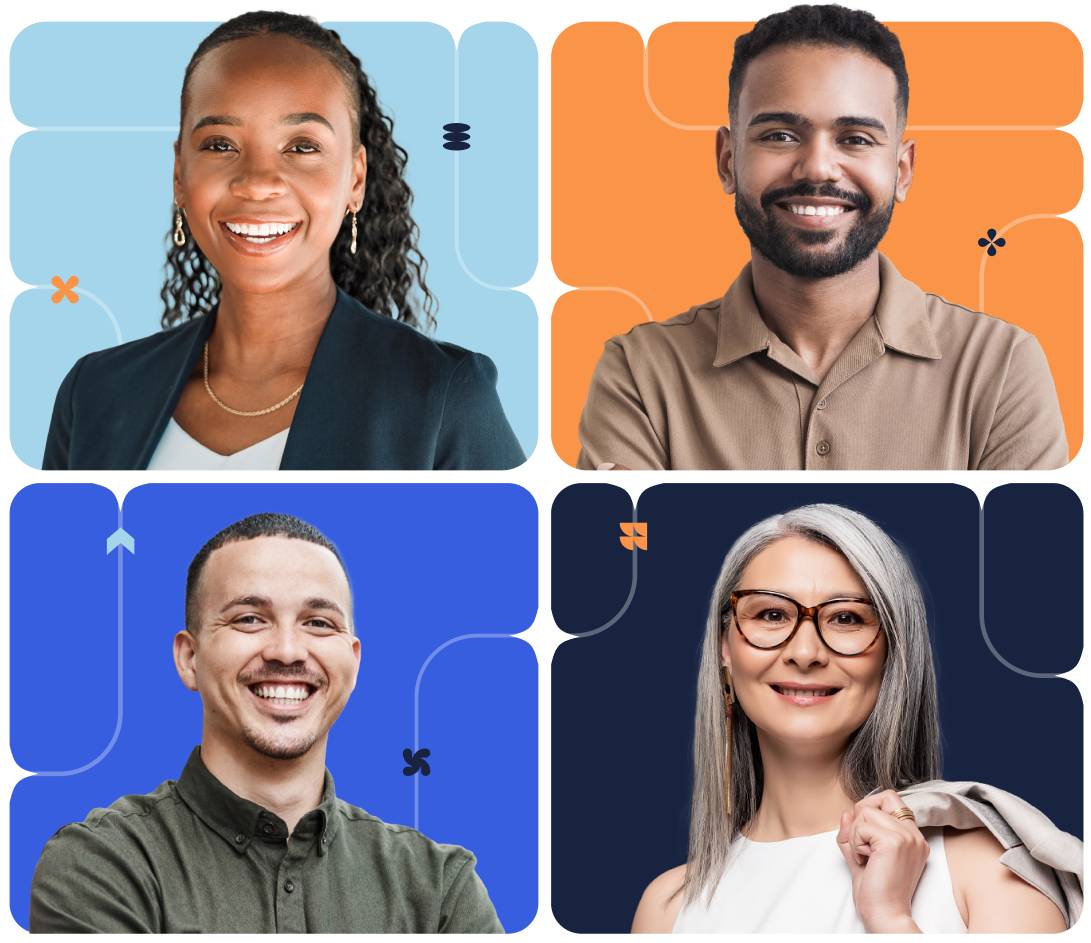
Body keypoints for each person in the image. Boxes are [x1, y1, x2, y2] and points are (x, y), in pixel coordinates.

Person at [578, 5, 1067, 471]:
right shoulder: (640, 372)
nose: (816, 167)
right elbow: (624, 559)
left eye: (855, 138)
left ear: (901, 171)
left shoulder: (1000, 366)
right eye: (780, 136)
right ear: (727, 160)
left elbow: (1025, 559)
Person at [42, 12, 524, 470]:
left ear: (355, 178)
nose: (257, 182)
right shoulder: (95, 393)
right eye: (219, 145)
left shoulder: (444, 398)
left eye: (302, 147)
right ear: (178, 174)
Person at [30, 513, 503, 933]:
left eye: (318, 623)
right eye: (250, 619)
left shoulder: (439, 887)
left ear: (353, 663)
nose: (288, 651)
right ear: (189, 658)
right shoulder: (103, 865)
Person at [632, 504, 1081, 933]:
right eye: (771, 614)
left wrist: (890, 919)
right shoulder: (667, 909)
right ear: (725, 648)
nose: (804, 653)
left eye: (846, 618)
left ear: (893, 653)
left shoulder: (989, 868)